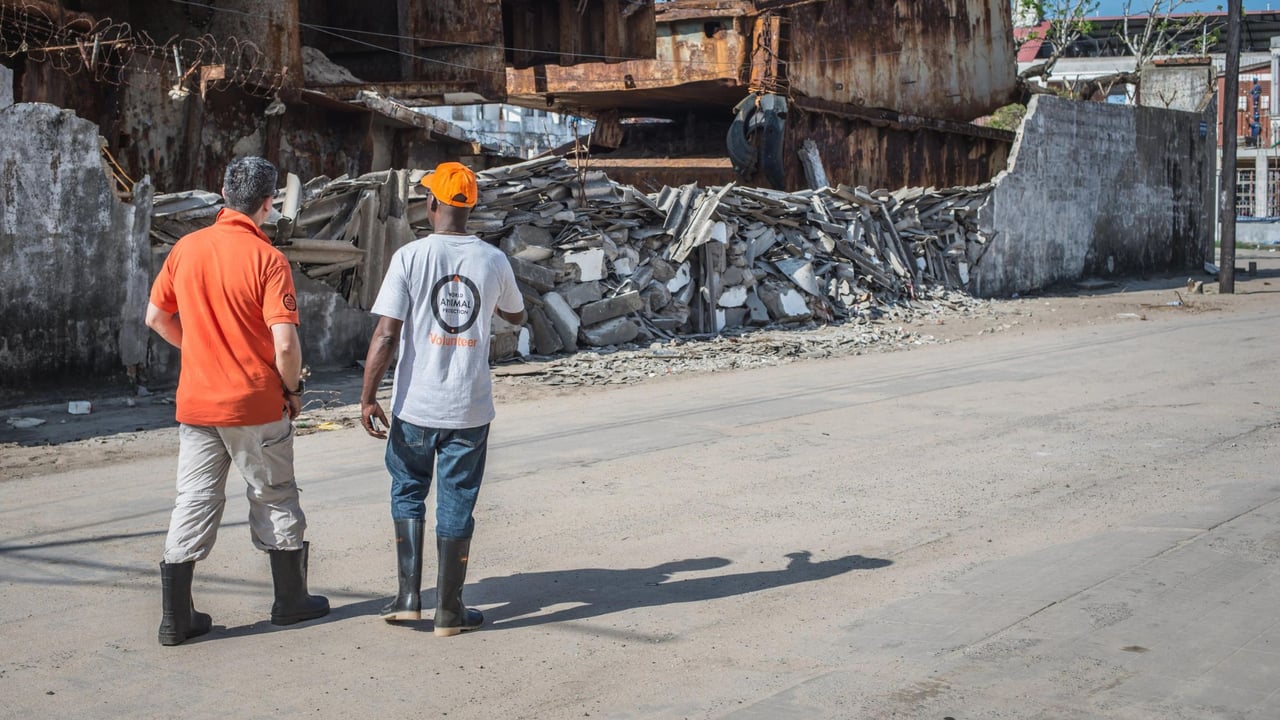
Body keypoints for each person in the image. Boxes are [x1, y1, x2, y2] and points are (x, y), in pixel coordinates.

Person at [145, 156, 329, 646]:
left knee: (194, 500)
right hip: (254, 403)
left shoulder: (186, 249)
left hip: (198, 404)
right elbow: (286, 345)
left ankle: (175, 617)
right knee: (273, 494)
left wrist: (203, 349)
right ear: (268, 204)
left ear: (224, 194)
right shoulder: (268, 259)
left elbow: (157, 318)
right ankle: (290, 601)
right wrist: (293, 391)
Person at [360, 161, 525, 637]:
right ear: (468, 206)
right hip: (469, 408)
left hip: (416, 405)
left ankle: (409, 598)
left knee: (408, 489)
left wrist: (368, 397)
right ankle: (449, 612)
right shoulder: (492, 260)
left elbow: (386, 335)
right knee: (458, 499)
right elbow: (515, 315)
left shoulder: (410, 257)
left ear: (431, 203)